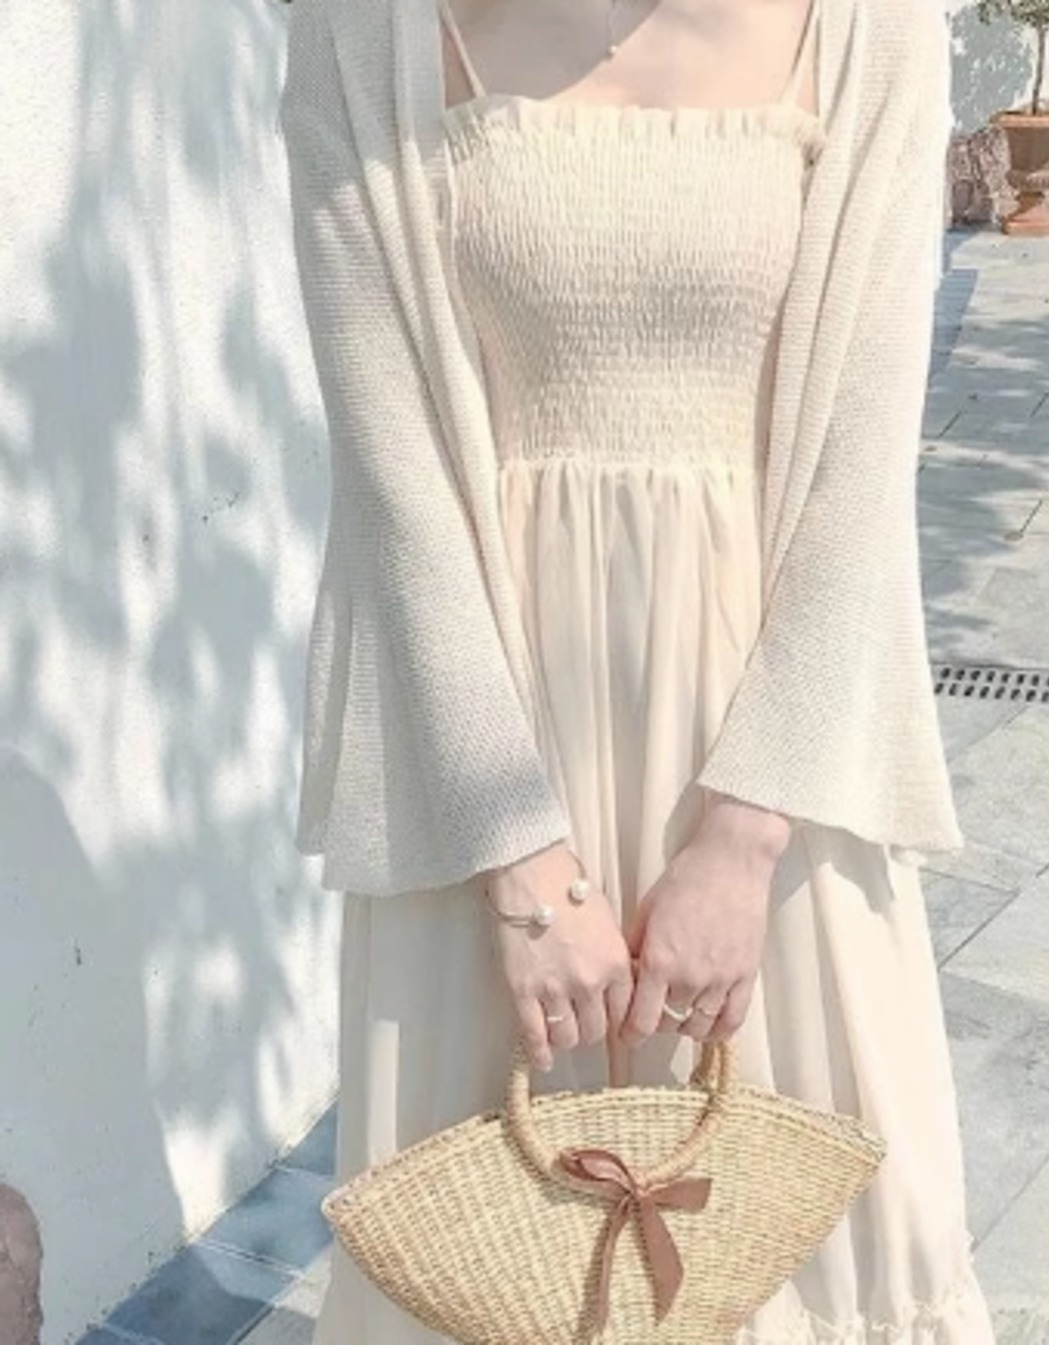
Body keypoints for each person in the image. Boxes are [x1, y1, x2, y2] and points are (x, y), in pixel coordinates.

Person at [279, 0, 998, 1339]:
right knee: (498, 1264)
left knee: (815, 1246)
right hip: (484, 755)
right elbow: (392, 476)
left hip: (771, 749)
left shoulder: (874, 30)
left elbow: (861, 466)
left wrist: (743, 839)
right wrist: (519, 866)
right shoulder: (362, 32)